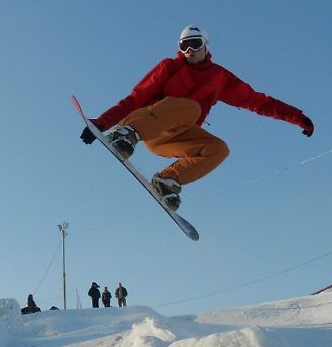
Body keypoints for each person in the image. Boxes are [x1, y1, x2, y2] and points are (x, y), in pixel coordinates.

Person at [80, 24, 314, 209]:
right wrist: (102, 123)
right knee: (191, 108)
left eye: (195, 44)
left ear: (206, 46)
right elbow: (136, 97)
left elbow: (257, 101)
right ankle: (125, 135)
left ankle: (168, 180)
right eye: (184, 46)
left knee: (219, 149)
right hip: (143, 122)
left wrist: (296, 117)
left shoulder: (219, 78)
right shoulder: (169, 67)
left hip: (171, 137)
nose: (190, 51)